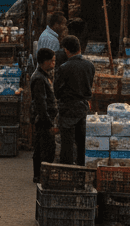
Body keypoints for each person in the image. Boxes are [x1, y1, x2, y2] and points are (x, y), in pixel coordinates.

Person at [54, 35, 95, 165]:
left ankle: (67, 169)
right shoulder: (89, 66)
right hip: (83, 107)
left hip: (68, 108)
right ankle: (82, 169)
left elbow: (57, 91)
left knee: (67, 142)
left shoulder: (64, 68)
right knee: (82, 141)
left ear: (66, 50)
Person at [31, 48, 59, 182]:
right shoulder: (39, 78)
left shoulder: (44, 75)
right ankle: (39, 175)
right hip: (43, 118)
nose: (54, 63)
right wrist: (48, 122)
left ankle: (40, 174)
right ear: (45, 62)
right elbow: (41, 104)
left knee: (45, 147)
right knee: (44, 148)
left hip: (46, 117)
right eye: (52, 60)